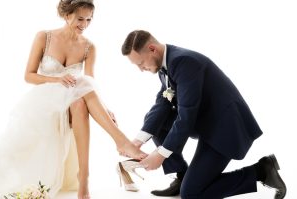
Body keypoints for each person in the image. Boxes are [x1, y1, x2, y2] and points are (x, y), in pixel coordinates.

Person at [0, 2, 147, 199]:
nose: (84, 24)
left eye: (89, 19)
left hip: (72, 101)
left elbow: (91, 83)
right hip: (45, 101)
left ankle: (83, 177)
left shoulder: (89, 47)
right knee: (80, 94)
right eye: (80, 19)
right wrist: (57, 79)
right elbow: (29, 75)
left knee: (80, 101)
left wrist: (105, 107)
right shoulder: (44, 37)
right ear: (66, 15)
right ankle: (120, 141)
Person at [120, 30, 287, 199]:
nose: (141, 69)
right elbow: (162, 104)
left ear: (152, 49)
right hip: (207, 123)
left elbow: (186, 115)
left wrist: (161, 154)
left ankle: (261, 171)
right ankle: (182, 176)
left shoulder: (184, 62)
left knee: (192, 194)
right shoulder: (166, 64)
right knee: (157, 122)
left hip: (225, 129)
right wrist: (136, 142)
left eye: (141, 63)